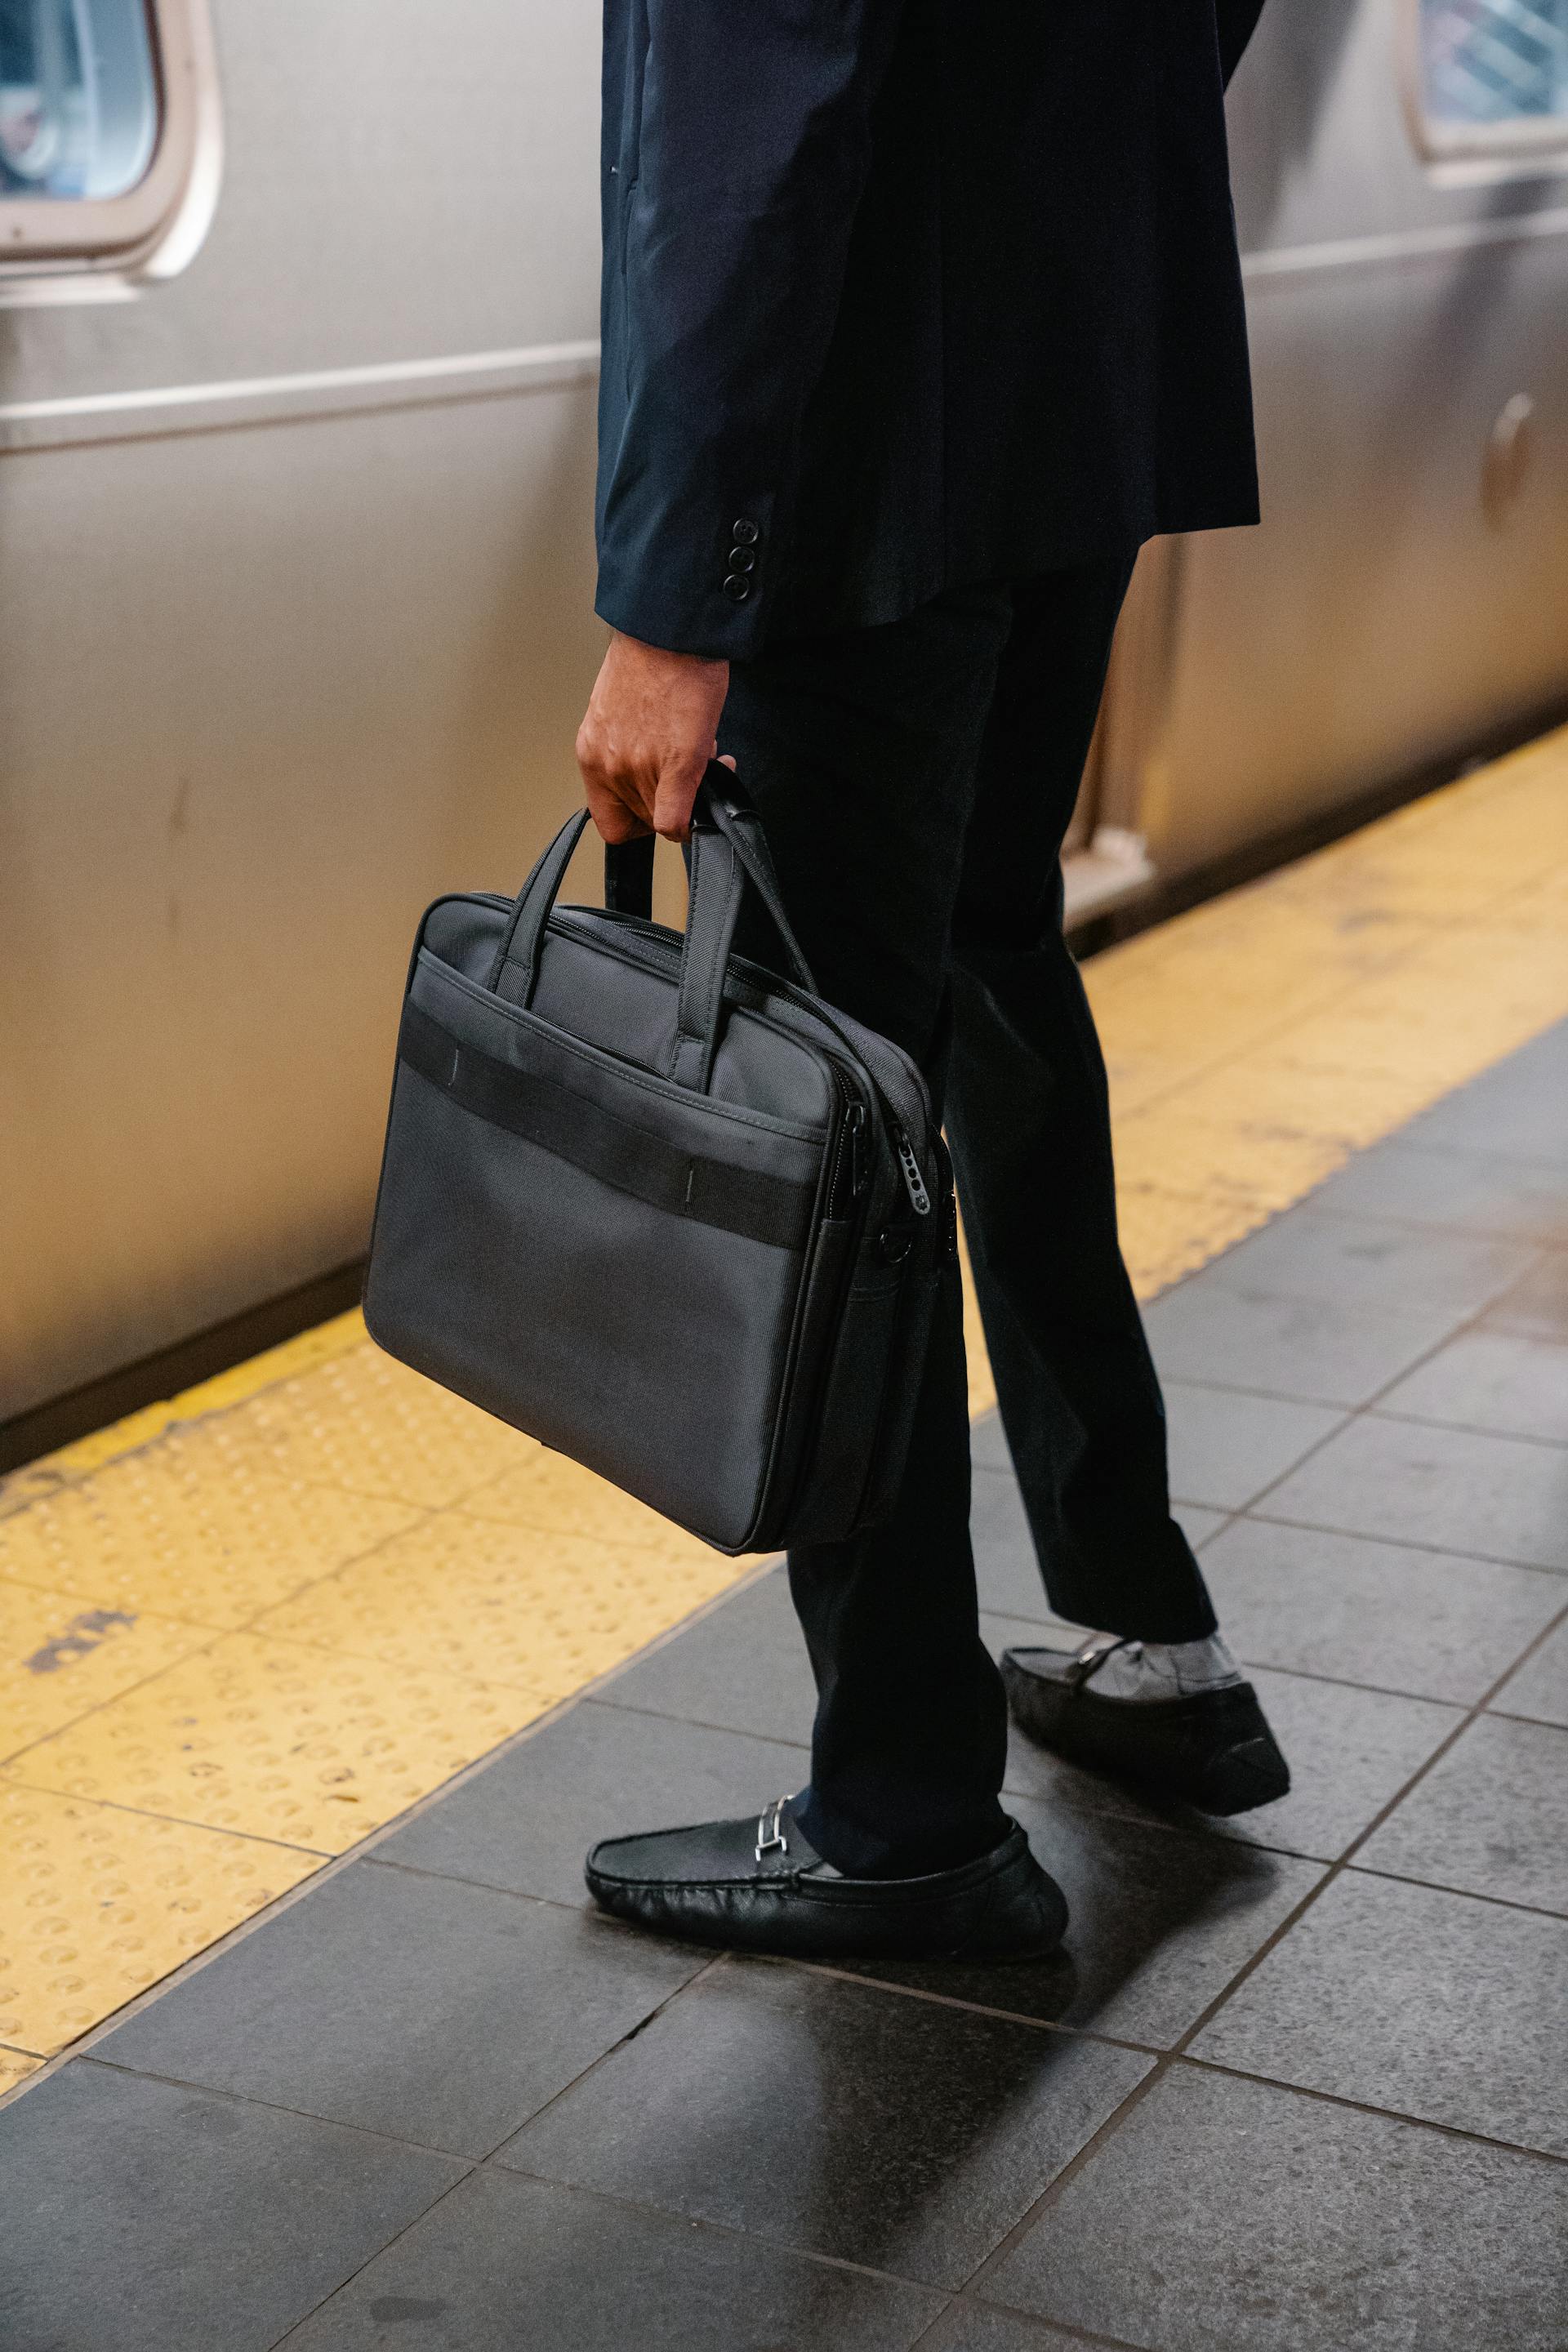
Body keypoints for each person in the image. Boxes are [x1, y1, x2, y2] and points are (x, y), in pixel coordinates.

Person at [574, 0, 1288, 1961]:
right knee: (988, 963)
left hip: (862, 436)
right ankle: (1141, 1620)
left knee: (839, 1087)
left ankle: (901, 1804)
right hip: (1078, 366)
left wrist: (673, 594)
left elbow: (750, 123)